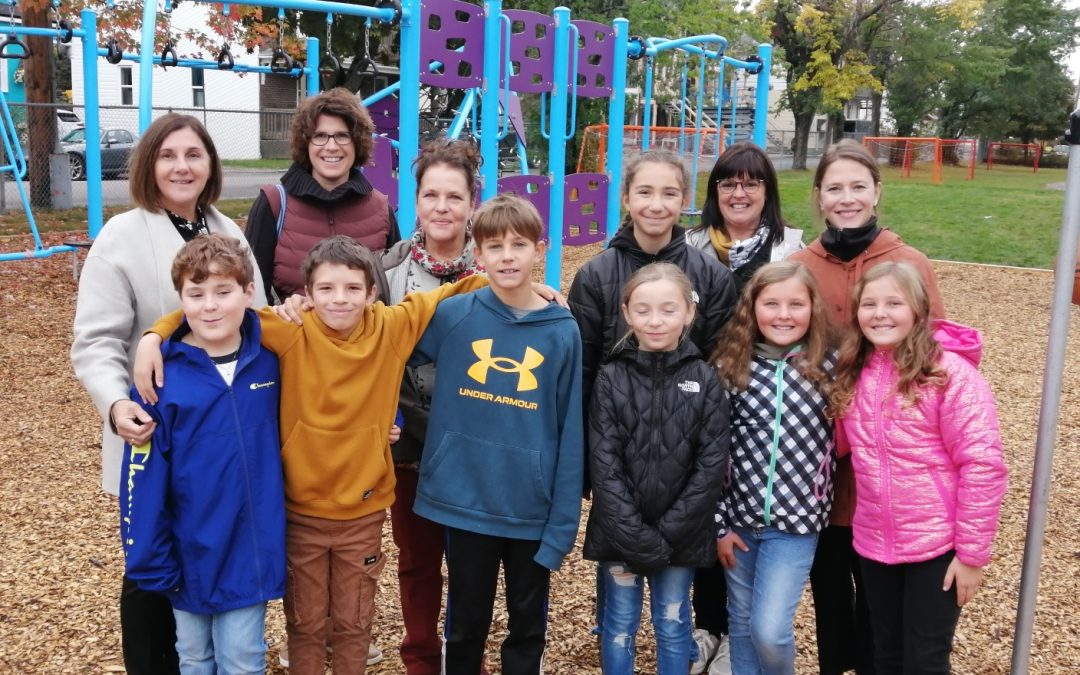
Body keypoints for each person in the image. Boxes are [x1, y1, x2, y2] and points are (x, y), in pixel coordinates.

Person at [134, 235, 488, 675]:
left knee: (353, 621)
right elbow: (221, 308)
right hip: (300, 511)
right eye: (326, 289)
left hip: (363, 510)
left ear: (372, 293)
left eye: (352, 289)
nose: (339, 299)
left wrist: (534, 291)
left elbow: (458, 290)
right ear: (307, 293)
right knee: (303, 623)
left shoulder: (394, 327)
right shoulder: (291, 329)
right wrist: (155, 335)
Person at [71, 112, 266, 675]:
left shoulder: (228, 234)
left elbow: (257, 322)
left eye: (194, 155)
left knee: (210, 553)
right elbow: (96, 339)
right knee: (151, 564)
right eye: (168, 155)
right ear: (149, 165)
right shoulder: (122, 236)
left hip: (221, 437)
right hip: (153, 432)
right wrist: (115, 402)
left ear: (211, 165)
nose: (182, 166)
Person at [568, 149, 737, 674]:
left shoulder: (710, 276)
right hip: (618, 461)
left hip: (685, 465)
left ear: (684, 201)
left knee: (672, 615)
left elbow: (715, 370)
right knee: (615, 614)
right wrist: (592, 470)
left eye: (669, 193)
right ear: (626, 198)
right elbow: (585, 372)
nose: (656, 203)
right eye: (645, 191)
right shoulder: (597, 276)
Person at [789, 139, 945, 675]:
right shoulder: (801, 266)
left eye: (858, 186)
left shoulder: (909, 264)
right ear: (819, 196)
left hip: (894, 469)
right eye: (835, 188)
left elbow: (940, 357)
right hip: (819, 461)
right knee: (831, 592)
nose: (847, 198)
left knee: (886, 608)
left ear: (877, 191)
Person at [410, 195, 584, 675]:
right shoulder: (453, 315)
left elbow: (571, 432)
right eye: (494, 246)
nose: (507, 256)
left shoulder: (562, 332)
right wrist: (398, 422)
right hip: (465, 503)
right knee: (465, 627)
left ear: (540, 250)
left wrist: (562, 524)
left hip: (530, 510)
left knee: (528, 629)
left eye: (519, 244)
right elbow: (392, 360)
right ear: (477, 253)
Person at [830, 262, 1007, 673]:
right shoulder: (855, 371)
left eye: (894, 302)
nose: (880, 313)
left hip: (936, 546)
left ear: (918, 309)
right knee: (885, 653)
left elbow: (983, 464)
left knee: (925, 660)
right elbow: (836, 443)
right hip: (875, 541)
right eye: (869, 304)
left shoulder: (948, 374)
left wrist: (972, 555)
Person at [121, 234, 285, 674]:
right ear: (180, 300)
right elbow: (142, 479)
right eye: (195, 294)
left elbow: (334, 388)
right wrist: (149, 558)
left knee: (243, 658)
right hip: (188, 553)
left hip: (249, 552)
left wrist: (387, 423)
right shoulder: (161, 379)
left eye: (223, 291)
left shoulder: (273, 361)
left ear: (249, 294)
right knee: (193, 658)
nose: (210, 306)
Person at [582, 262, 730, 675]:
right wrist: (635, 535)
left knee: (672, 622)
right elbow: (604, 462)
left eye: (668, 309)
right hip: (619, 535)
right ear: (627, 313)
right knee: (619, 625)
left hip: (679, 539)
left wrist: (664, 536)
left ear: (689, 313)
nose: (655, 320)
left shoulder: (704, 379)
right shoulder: (611, 378)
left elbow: (711, 464)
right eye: (643, 310)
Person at [380, 138, 484, 675]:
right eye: (430, 195)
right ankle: (420, 658)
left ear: (472, 203)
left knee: (472, 564)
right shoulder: (388, 273)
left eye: (453, 196)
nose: (441, 207)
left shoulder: (496, 269)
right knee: (418, 561)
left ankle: (466, 658)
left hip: (476, 446)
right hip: (412, 446)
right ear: (415, 201)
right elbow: (372, 351)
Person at [712, 261, 837, 675]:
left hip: (796, 526)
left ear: (812, 309)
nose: (783, 314)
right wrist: (719, 526)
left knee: (770, 630)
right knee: (742, 626)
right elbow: (710, 451)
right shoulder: (732, 366)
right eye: (772, 304)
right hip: (739, 523)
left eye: (795, 304)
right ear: (752, 308)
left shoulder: (829, 367)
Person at [244, 87, 400, 302]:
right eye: (320, 136)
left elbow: (394, 292)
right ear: (305, 142)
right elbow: (250, 291)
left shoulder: (381, 209)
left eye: (342, 136)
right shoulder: (274, 205)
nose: (332, 146)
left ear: (357, 143)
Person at [686, 142, 804, 292]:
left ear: (767, 191)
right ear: (715, 192)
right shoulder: (688, 246)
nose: (739, 194)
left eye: (750, 185)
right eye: (728, 185)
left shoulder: (792, 250)